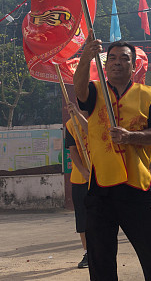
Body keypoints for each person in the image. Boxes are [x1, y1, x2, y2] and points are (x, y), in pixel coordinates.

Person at [74, 36, 151, 281]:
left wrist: (131, 137)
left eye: (124, 59)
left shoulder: (147, 95)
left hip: (135, 186)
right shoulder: (95, 91)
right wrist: (85, 58)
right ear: (105, 65)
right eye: (113, 58)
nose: (118, 63)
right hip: (101, 187)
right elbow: (79, 91)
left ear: (134, 65)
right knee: (100, 255)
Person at [64, 100, 90, 269]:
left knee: (103, 217)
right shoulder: (70, 124)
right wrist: (84, 171)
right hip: (81, 179)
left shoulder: (100, 119)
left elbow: (93, 132)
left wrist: (79, 115)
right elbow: (72, 151)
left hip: (103, 177)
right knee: (82, 219)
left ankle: (102, 250)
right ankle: (88, 252)